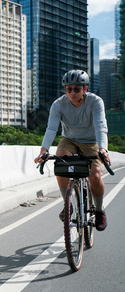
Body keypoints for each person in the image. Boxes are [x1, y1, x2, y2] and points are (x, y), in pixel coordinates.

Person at [34, 69, 111, 231]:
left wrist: (103, 149)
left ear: (85, 89)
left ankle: (99, 210)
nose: (72, 92)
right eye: (68, 89)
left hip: (91, 141)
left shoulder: (95, 102)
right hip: (69, 140)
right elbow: (51, 129)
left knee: (95, 174)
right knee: (60, 164)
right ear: (65, 89)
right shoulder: (58, 104)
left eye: (77, 89)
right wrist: (44, 150)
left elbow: (100, 126)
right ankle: (67, 205)